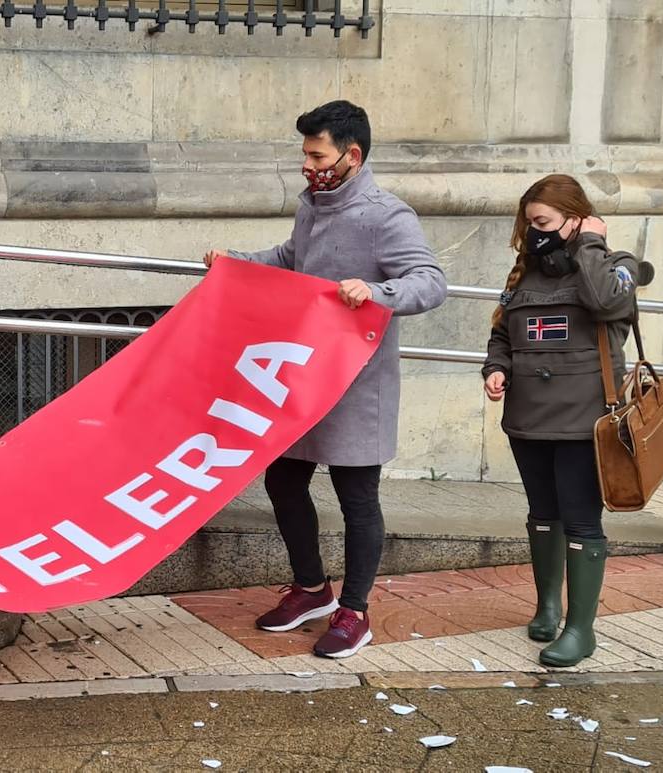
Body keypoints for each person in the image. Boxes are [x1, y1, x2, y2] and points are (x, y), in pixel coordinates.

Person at [204, 100, 447, 659]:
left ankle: (355, 613)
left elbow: (430, 282)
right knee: (284, 481)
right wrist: (235, 262)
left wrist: (378, 292)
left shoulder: (389, 215)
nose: (308, 165)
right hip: (303, 375)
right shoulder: (312, 205)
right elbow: (293, 258)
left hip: (358, 383)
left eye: (317, 155)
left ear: (351, 155)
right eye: (305, 154)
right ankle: (311, 588)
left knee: (356, 496)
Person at [482, 174, 641, 668]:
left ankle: (580, 630)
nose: (534, 232)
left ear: (575, 218)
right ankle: (548, 608)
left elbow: (605, 301)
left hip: (584, 422)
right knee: (542, 515)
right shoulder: (523, 274)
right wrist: (497, 368)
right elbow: (503, 334)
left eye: (544, 222)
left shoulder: (617, 267)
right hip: (528, 420)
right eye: (530, 222)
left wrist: (591, 241)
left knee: (580, 519)